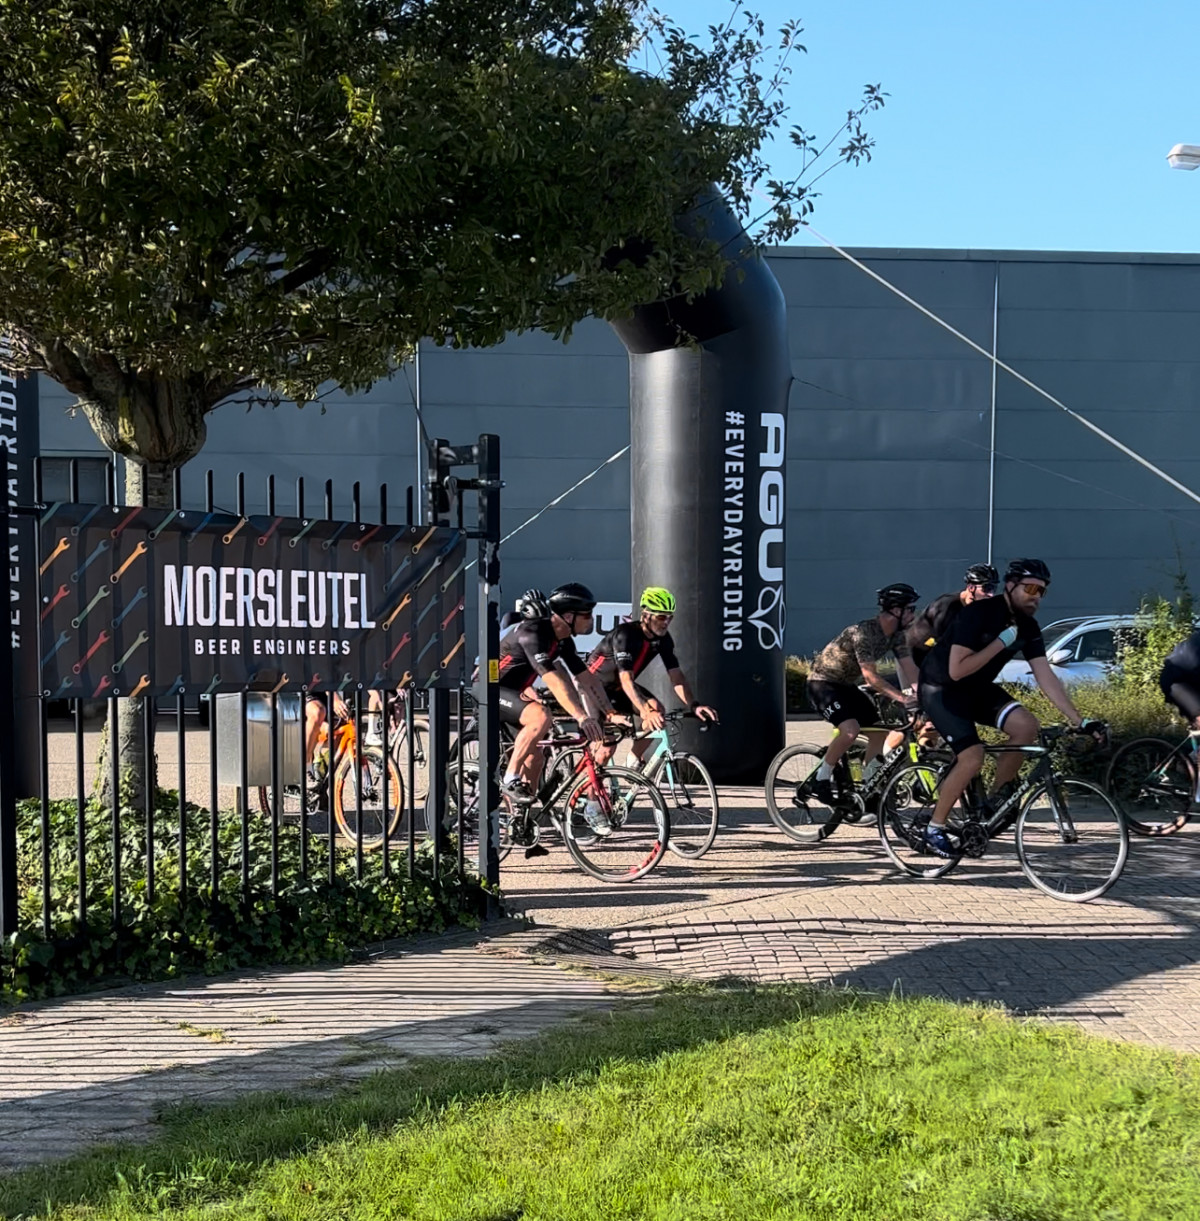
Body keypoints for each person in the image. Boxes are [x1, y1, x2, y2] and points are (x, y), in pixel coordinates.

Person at [918, 558, 1103, 857]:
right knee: (972, 756)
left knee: (1026, 726)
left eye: (1041, 591)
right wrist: (999, 644)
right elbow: (957, 670)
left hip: (977, 689)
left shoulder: (1028, 626)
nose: (1035, 596)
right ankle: (934, 828)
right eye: (1029, 588)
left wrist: (1080, 720)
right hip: (942, 688)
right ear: (1010, 585)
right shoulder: (978, 613)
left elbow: (1045, 675)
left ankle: (994, 804)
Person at [806, 584, 922, 804]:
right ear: (895, 610)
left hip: (846, 686)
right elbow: (871, 678)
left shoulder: (897, 636)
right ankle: (821, 779)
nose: (913, 615)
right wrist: (904, 698)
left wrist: (925, 696)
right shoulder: (864, 633)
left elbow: (911, 670)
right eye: (910, 609)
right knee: (850, 731)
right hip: (822, 684)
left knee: (879, 733)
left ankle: (868, 786)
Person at [496, 584, 607, 806]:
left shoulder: (563, 640)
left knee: (536, 757)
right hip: (491, 689)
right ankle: (510, 778)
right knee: (541, 715)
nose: (591, 620)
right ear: (568, 617)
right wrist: (581, 717)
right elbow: (554, 681)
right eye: (586, 615)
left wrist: (610, 712)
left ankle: (522, 817)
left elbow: (587, 679)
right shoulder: (534, 634)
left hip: (514, 692)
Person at [586, 587, 718, 764]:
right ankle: (589, 781)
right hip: (593, 687)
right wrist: (646, 711)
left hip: (618, 688)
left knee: (658, 710)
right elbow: (626, 680)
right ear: (646, 616)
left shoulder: (663, 639)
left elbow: (676, 676)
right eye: (661, 617)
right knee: (606, 749)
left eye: (670, 617)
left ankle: (632, 763)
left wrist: (694, 705)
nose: (666, 622)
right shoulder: (625, 635)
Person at [908, 563, 1000, 668]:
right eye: (987, 588)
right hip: (918, 657)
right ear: (971, 587)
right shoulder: (946, 607)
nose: (991, 594)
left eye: (994, 589)